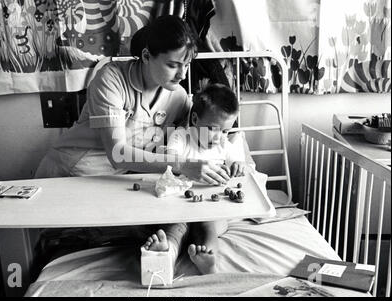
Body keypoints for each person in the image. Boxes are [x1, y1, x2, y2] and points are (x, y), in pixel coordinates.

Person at [35, 15, 230, 186]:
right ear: (146, 56)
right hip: (69, 174)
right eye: (173, 65)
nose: (182, 75)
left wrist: (238, 160)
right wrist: (181, 165)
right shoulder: (111, 80)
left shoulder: (177, 97)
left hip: (116, 181)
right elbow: (117, 153)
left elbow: (206, 131)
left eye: (186, 65)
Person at [143, 84, 255, 274]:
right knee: (175, 227)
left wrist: (238, 165)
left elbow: (239, 164)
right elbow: (170, 160)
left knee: (209, 228)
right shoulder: (181, 137)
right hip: (181, 206)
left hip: (211, 208)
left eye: (225, 131)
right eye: (213, 129)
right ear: (194, 119)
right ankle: (165, 254)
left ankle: (208, 259)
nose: (219, 137)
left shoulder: (225, 146)